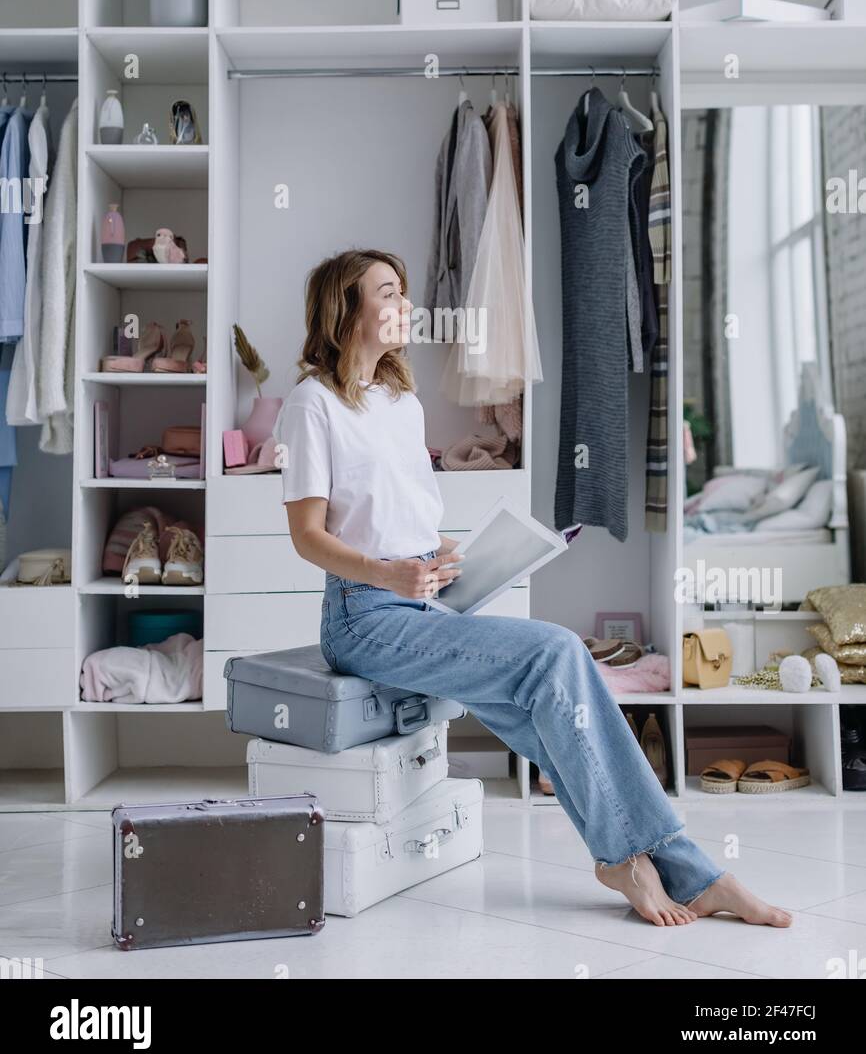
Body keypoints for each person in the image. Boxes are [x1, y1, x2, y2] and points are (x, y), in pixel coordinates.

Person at [276, 247, 792, 930]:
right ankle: (667, 866)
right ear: (346, 310)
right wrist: (384, 571)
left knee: (549, 705)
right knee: (555, 654)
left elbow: (395, 517)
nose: (406, 306)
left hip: (421, 599)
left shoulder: (401, 401)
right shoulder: (311, 405)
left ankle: (654, 866)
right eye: (388, 293)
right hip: (363, 618)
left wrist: (444, 553)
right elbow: (309, 535)